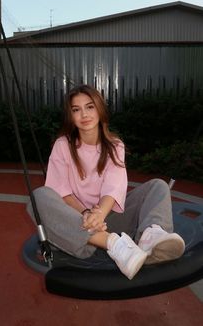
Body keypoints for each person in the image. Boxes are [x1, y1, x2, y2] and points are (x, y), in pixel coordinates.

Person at [27, 84, 185, 280]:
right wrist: (86, 214)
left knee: (158, 186)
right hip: (78, 224)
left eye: (90, 106)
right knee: (39, 196)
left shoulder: (115, 146)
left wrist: (99, 214)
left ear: (100, 109)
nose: (84, 114)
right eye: (76, 109)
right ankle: (114, 245)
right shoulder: (62, 145)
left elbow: (113, 186)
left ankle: (151, 237)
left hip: (108, 218)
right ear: (71, 116)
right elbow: (61, 191)